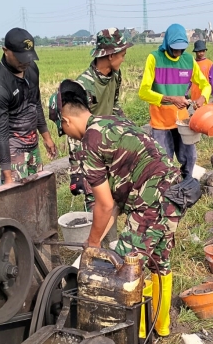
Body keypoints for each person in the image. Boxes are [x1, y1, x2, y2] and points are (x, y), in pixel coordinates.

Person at [49, 79, 187, 337]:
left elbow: (103, 204)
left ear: (65, 122)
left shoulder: (90, 142)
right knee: (159, 261)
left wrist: (91, 243)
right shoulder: (112, 123)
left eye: (63, 130)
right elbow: (113, 204)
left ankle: (136, 335)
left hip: (151, 200)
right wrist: (98, 237)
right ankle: (161, 326)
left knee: (126, 266)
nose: (67, 135)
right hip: (172, 194)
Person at [69, 28, 133, 209]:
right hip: (88, 148)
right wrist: (77, 171)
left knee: (112, 196)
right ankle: (94, 235)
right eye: (122, 54)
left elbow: (114, 105)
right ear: (111, 55)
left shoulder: (115, 75)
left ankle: (109, 234)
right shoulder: (83, 86)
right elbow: (73, 130)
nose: (124, 59)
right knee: (94, 200)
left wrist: (128, 129)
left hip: (108, 143)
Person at [138, 23, 211, 179]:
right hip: (160, 123)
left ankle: (187, 184)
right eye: (175, 48)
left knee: (189, 157)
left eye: (181, 48)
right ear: (167, 44)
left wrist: (202, 97)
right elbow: (143, 92)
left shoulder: (188, 60)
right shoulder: (154, 58)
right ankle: (164, 191)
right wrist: (170, 99)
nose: (178, 52)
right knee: (163, 161)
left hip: (182, 122)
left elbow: (205, 84)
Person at [0, 27, 56, 184]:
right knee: (17, 194)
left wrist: (46, 137)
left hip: (32, 142)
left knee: (38, 186)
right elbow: (1, 132)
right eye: (20, 57)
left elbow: (35, 103)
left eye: (28, 57)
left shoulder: (31, 69)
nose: (25, 62)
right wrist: (8, 177)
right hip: (12, 146)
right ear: (5, 51)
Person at [188, 40, 213, 105]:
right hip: (194, 95)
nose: (201, 53)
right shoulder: (192, 64)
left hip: (206, 96)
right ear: (195, 52)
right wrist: (185, 93)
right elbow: (189, 80)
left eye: (203, 51)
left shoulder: (209, 64)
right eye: (199, 51)